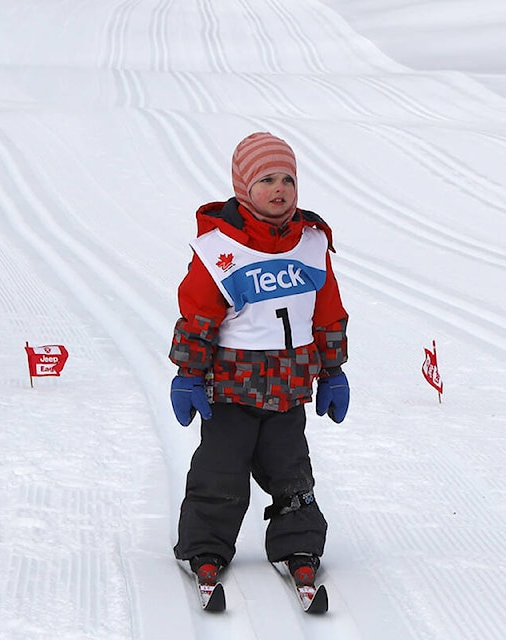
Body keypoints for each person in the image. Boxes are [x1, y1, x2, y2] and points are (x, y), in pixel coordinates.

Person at [168, 132, 350, 589]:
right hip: (230, 391)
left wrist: (334, 372)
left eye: (288, 179)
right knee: (219, 473)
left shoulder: (311, 243)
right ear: (243, 186)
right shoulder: (219, 250)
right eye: (266, 179)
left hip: (290, 391)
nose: (279, 189)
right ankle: (204, 546)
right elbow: (198, 316)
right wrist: (188, 373)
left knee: (293, 474)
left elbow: (326, 313)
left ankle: (299, 544)